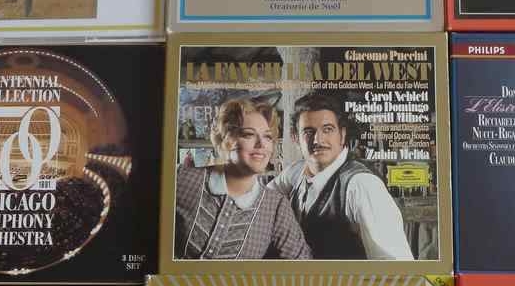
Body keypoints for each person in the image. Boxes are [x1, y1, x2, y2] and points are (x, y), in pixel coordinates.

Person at [268, 92, 413, 260]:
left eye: (327, 130)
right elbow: (262, 200)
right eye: (308, 132)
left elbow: (396, 265)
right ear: (295, 138)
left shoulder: (362, 185)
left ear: (342, 135)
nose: (318, 140)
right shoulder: (296, 172)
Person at [175, 98, 311, 260]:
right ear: (227, 140)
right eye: (249, 135)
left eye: (268, 137)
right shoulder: (181, 179)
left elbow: (302, 264)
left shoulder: (276, 207)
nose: (262, 145)